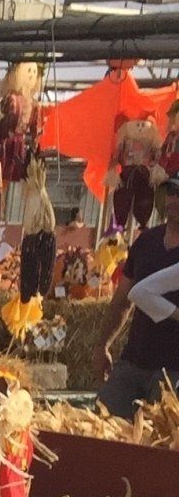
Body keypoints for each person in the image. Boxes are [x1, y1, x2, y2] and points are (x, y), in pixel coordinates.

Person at [99, 176, 179, 416]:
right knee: (103, 427)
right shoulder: (147, 241)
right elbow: (123, 300)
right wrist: (102, 345)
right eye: (172, 191)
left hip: (174, 372)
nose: (175, 198)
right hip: (133, 362)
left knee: (160, 447)